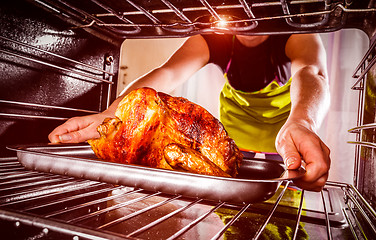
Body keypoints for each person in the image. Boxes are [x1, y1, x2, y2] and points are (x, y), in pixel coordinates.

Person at [49, 33, 331, 192]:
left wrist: (302, 121)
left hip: (284, 137)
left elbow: (312, 72)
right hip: (235, 135)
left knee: (284, 201)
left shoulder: (295, 32)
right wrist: (114, 113)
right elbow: (168, 72)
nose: (249, 24)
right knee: (231, 199)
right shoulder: (218, 37)